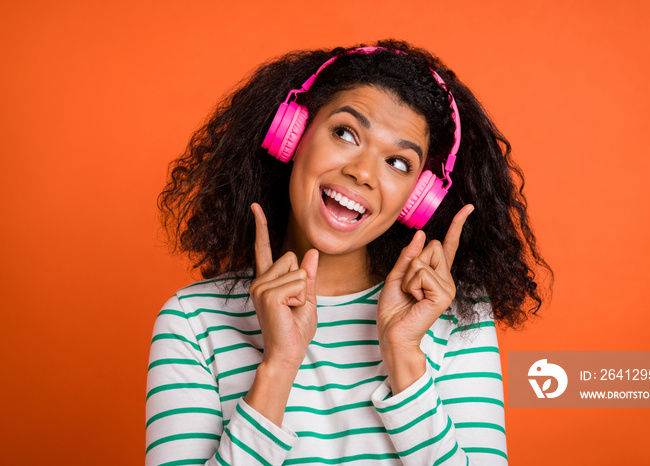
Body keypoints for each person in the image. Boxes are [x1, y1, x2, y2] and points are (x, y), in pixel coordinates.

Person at [147, 40, 550, 465]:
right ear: (292, 134)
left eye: (398, 163)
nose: (361, 172)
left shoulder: (455, 316)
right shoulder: (194, 321)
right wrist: (279, 366)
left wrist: (405, 358)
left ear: (418, 200)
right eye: (345, 133)